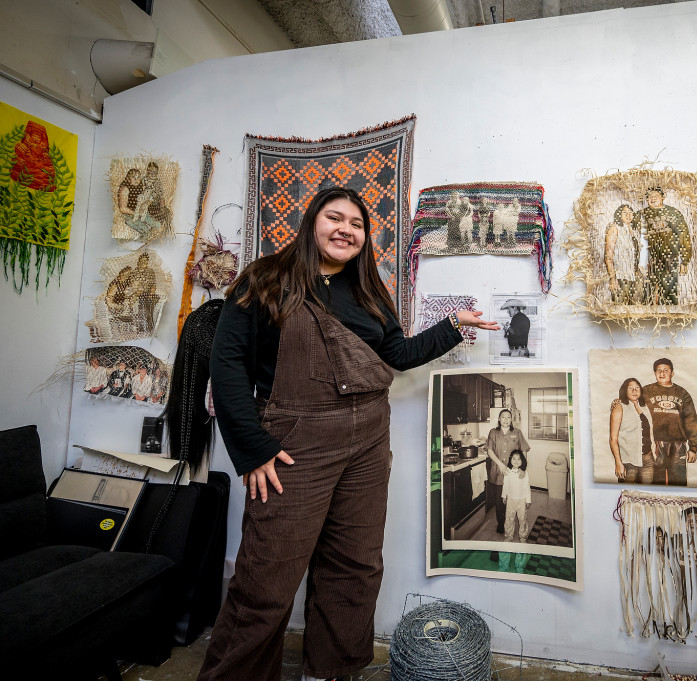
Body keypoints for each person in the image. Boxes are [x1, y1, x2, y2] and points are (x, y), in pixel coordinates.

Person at [199, 186, 497, 681]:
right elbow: (227, 364)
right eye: (334, 218)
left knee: (355, 567)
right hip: (293, 445)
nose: (346, 229)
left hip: (367, 441)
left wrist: (452, 326)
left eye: (357, 224)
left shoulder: (369, 291)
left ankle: (330, 672)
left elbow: (397, 356)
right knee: (267, 577)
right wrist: (252, 449)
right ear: (311, 222)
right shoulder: (265, 279)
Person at [642, 358, 697, 486]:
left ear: (672, 373)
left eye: (666, 370)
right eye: (659, 371)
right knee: (655, 483)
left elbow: (691, 420)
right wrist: (618, 402)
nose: (662, 373)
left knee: (678, 482)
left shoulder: (681, 393)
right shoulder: (646, 391)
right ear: (655, 373)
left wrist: (693, 448)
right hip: (654, 444)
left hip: (678, 444)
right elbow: (630, 398)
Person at [634, 188, 691, 305]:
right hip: (648, 260)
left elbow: (683, 236)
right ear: (647, 200)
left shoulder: (673, 213)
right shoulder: (640, 215)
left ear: (663, 198)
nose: (653, 198)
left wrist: (684, 261)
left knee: (669, 290)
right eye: (650, 196)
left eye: (656, 195)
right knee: (648, 292)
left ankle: (669, 315)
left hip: (670, 258)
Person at [485, 408, 530, 535]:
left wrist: (523, 468)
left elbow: (524, 451)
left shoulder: (517, 432)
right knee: (500, 500)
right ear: (499, 419)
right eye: (503, 417)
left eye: (508, 417)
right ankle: (501, 523)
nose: (506, 419)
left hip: (514, 472)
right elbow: (489, 450)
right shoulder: (493, 432)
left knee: (514, 497)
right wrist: (500, 465)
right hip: (498, 471)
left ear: (511, 419)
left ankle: (514, 521)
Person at [609, 377, 654, 484]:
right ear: (625, 390)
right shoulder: (619, 407)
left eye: (637, 388)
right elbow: (613, 438)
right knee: (627, 493)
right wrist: (618, 463)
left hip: (647, 460)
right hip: (628, 461)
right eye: (631, 388)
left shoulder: (645, 407)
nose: (634, 391)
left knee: (646, 495)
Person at [604, 204, 642, 304]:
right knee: (620, 306)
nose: (628, 215)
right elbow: (608, 255)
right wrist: (613, 278)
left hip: (633, 277)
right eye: (625, 212)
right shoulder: (614, 228)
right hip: (620, 277)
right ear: (619, 215)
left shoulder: (634, 232)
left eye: (630, 213)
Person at [501, 449, 531, 542]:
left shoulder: (524, 473)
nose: (516, 461)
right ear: (510, 460)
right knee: (509, 518)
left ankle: (523, 536)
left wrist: (528, 500)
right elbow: (505, 484)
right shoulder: (507, 472)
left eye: (518, 459)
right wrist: (504, 496)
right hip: (510, 500)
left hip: (522, 500)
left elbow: (527, 487)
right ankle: (508, 535)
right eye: (514, 459)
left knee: (522, 519)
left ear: (522, 461)